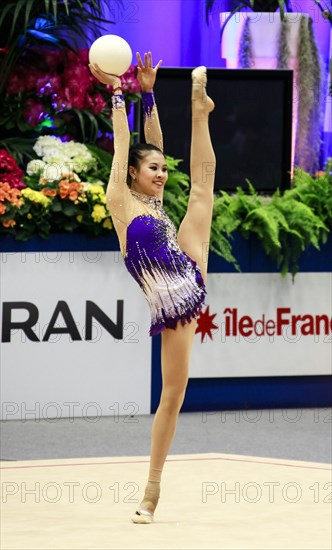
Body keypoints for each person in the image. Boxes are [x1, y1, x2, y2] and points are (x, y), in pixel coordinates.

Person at [89, 52, 215, 523]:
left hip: (188, 274)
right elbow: (125, 147)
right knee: (171, 396)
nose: (162, 174)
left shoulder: (154, 199)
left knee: (203, 190)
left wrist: (149, 93)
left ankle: (200, 109)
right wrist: (118, 93)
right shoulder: (121, 200)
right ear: (133, 176)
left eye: (163, 169)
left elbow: (152, 142)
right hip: (172, 304)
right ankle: (153, 488)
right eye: (153, 169)